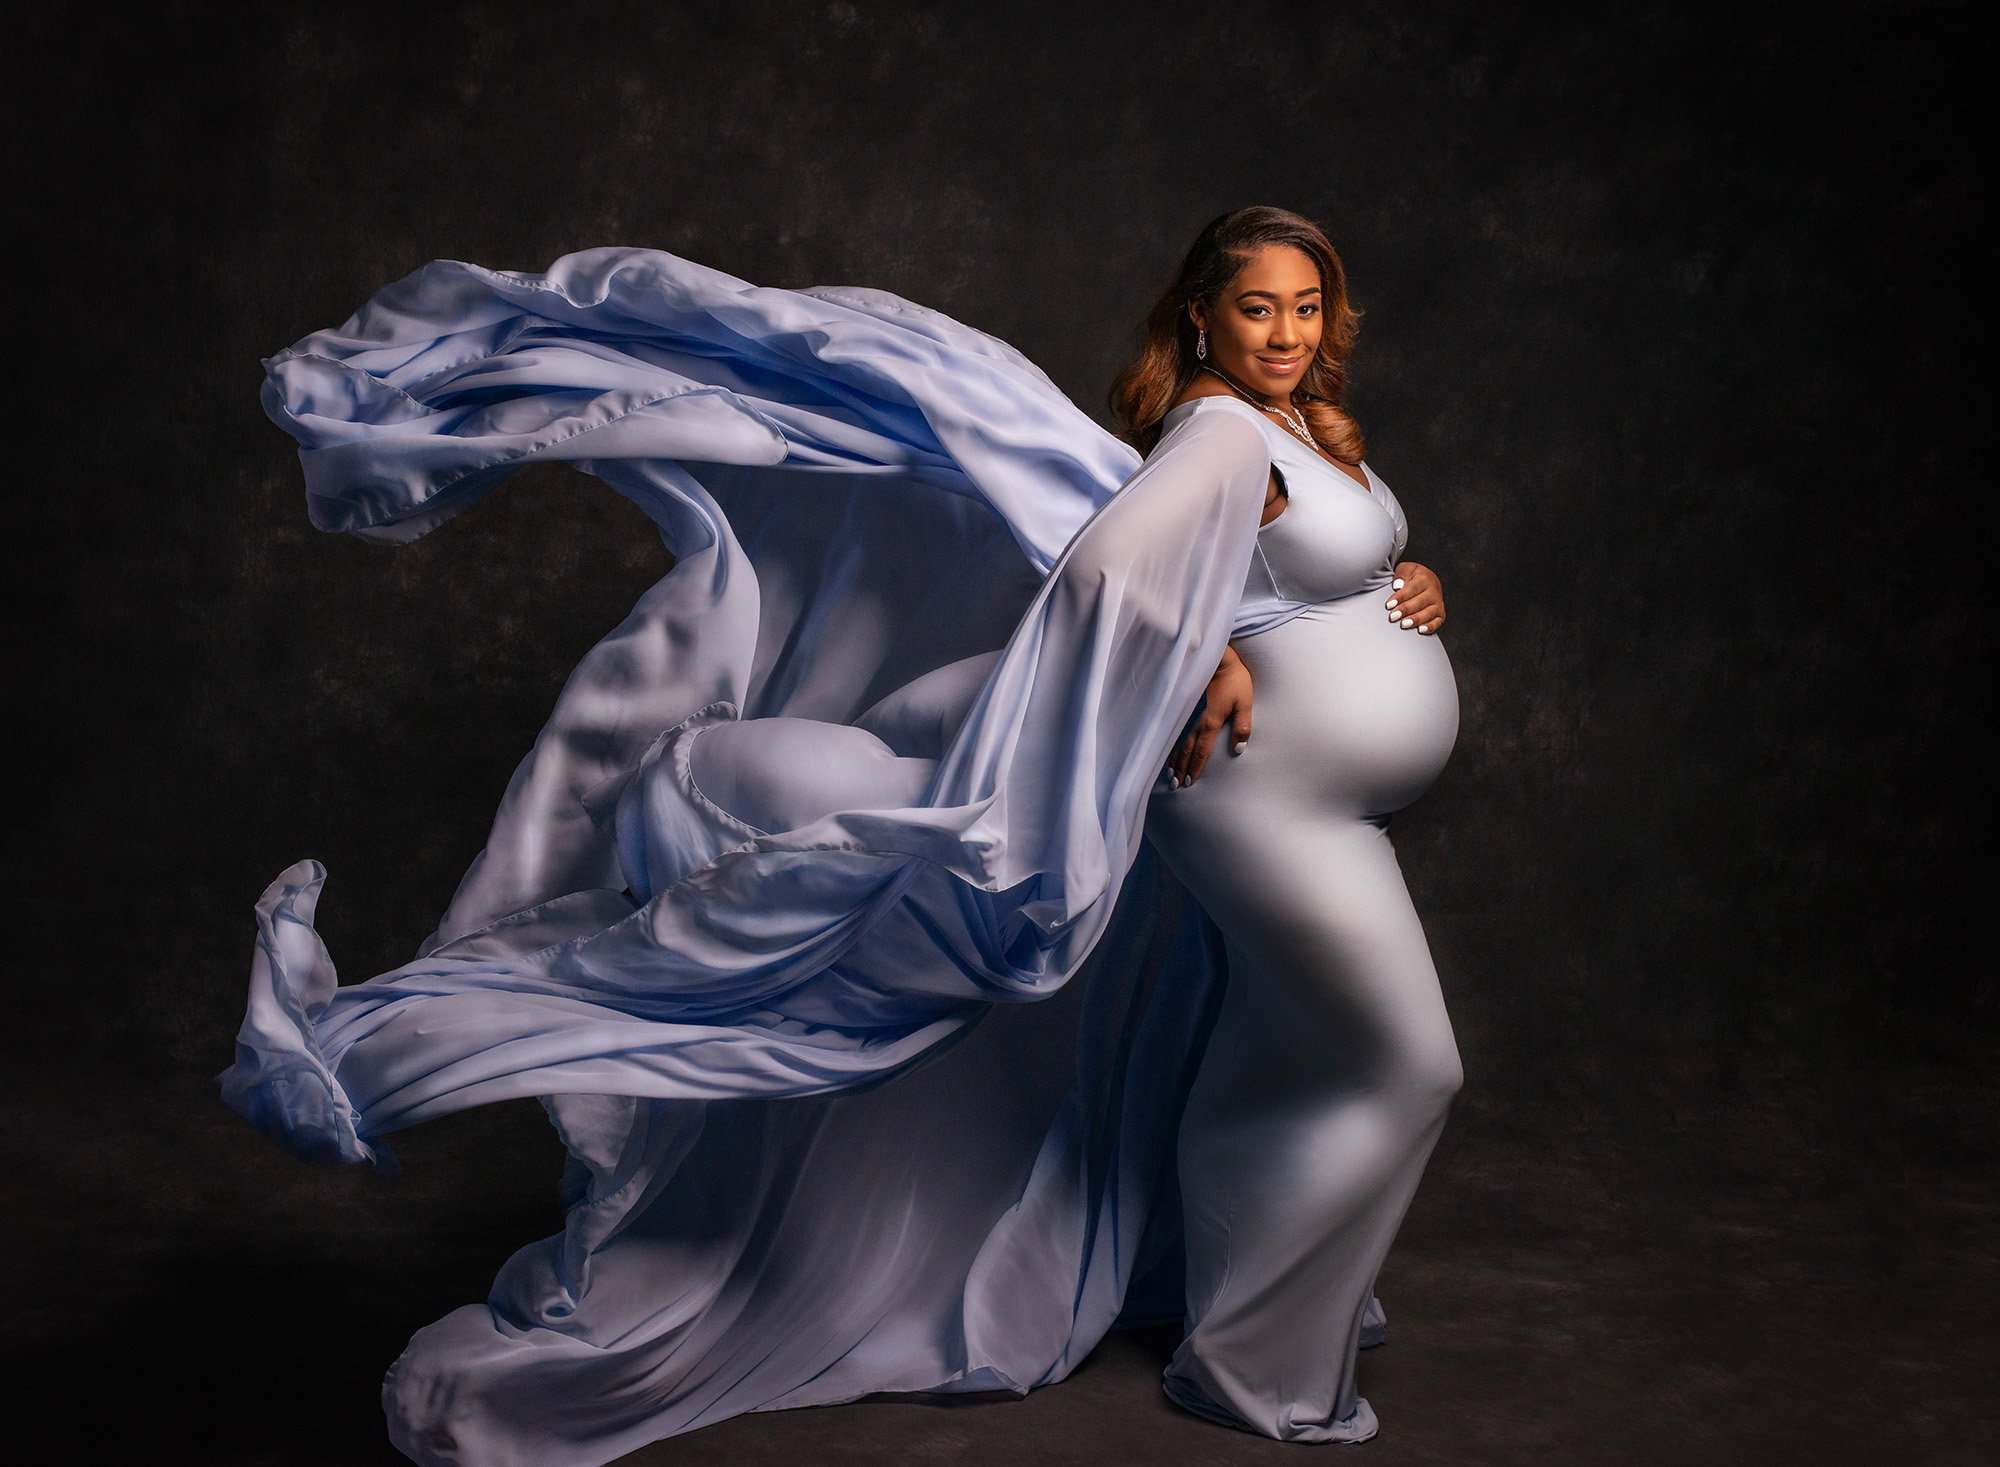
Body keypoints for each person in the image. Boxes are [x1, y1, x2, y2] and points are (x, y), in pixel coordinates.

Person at [218, 205, 1461, 1464]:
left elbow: (1297, 567)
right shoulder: (1215, 429)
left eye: (1306, 309)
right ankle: (1256, 1371)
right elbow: (1108, 579)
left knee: (1269, 1047)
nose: (1286, 333)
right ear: (1201, 313)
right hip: (1262, 798)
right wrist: (1203, 660)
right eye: (1258, 308)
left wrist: (1397, 584)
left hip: (1317, 794)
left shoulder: (1300, 427)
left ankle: (1254, 1309)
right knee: (1403, 1062)